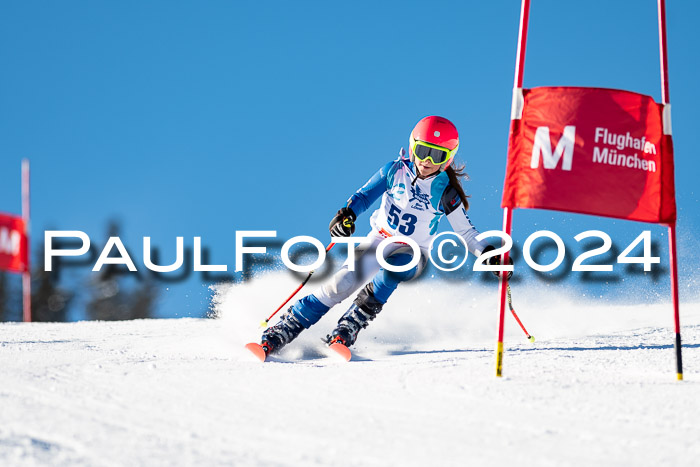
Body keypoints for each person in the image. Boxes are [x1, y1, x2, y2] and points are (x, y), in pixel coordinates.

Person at [257, 115, 510, 357]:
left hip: (413, 252)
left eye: (437, 155)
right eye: (423, 151)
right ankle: (286, 328)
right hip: (379, 239)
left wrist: (490, 255)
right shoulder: (394, 171)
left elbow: (466, 232)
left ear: (448, 158)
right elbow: (364, 197)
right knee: (340, 284)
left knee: (393, 269)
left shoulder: (446, 192)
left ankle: (350, 324)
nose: (427, 161)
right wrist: (347, 215)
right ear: (413, 147)